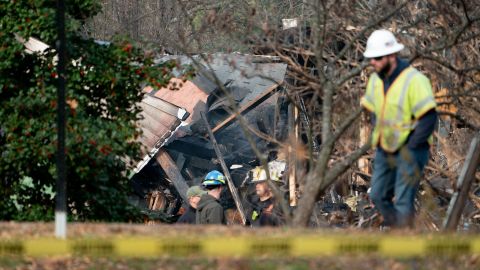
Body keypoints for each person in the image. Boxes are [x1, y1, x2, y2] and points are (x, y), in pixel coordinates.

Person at [360, 29, 437, 228]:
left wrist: (412, 147)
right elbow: (372, 109)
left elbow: (429, 118)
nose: (373, 63)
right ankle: (403, 233)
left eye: (377, 58)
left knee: (403, 201)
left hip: (412, 148)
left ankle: (403, 246)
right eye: (371, 58)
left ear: (391, 55)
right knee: (377, 195)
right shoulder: (375, 80)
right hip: (385, 149)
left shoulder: (415, 81)